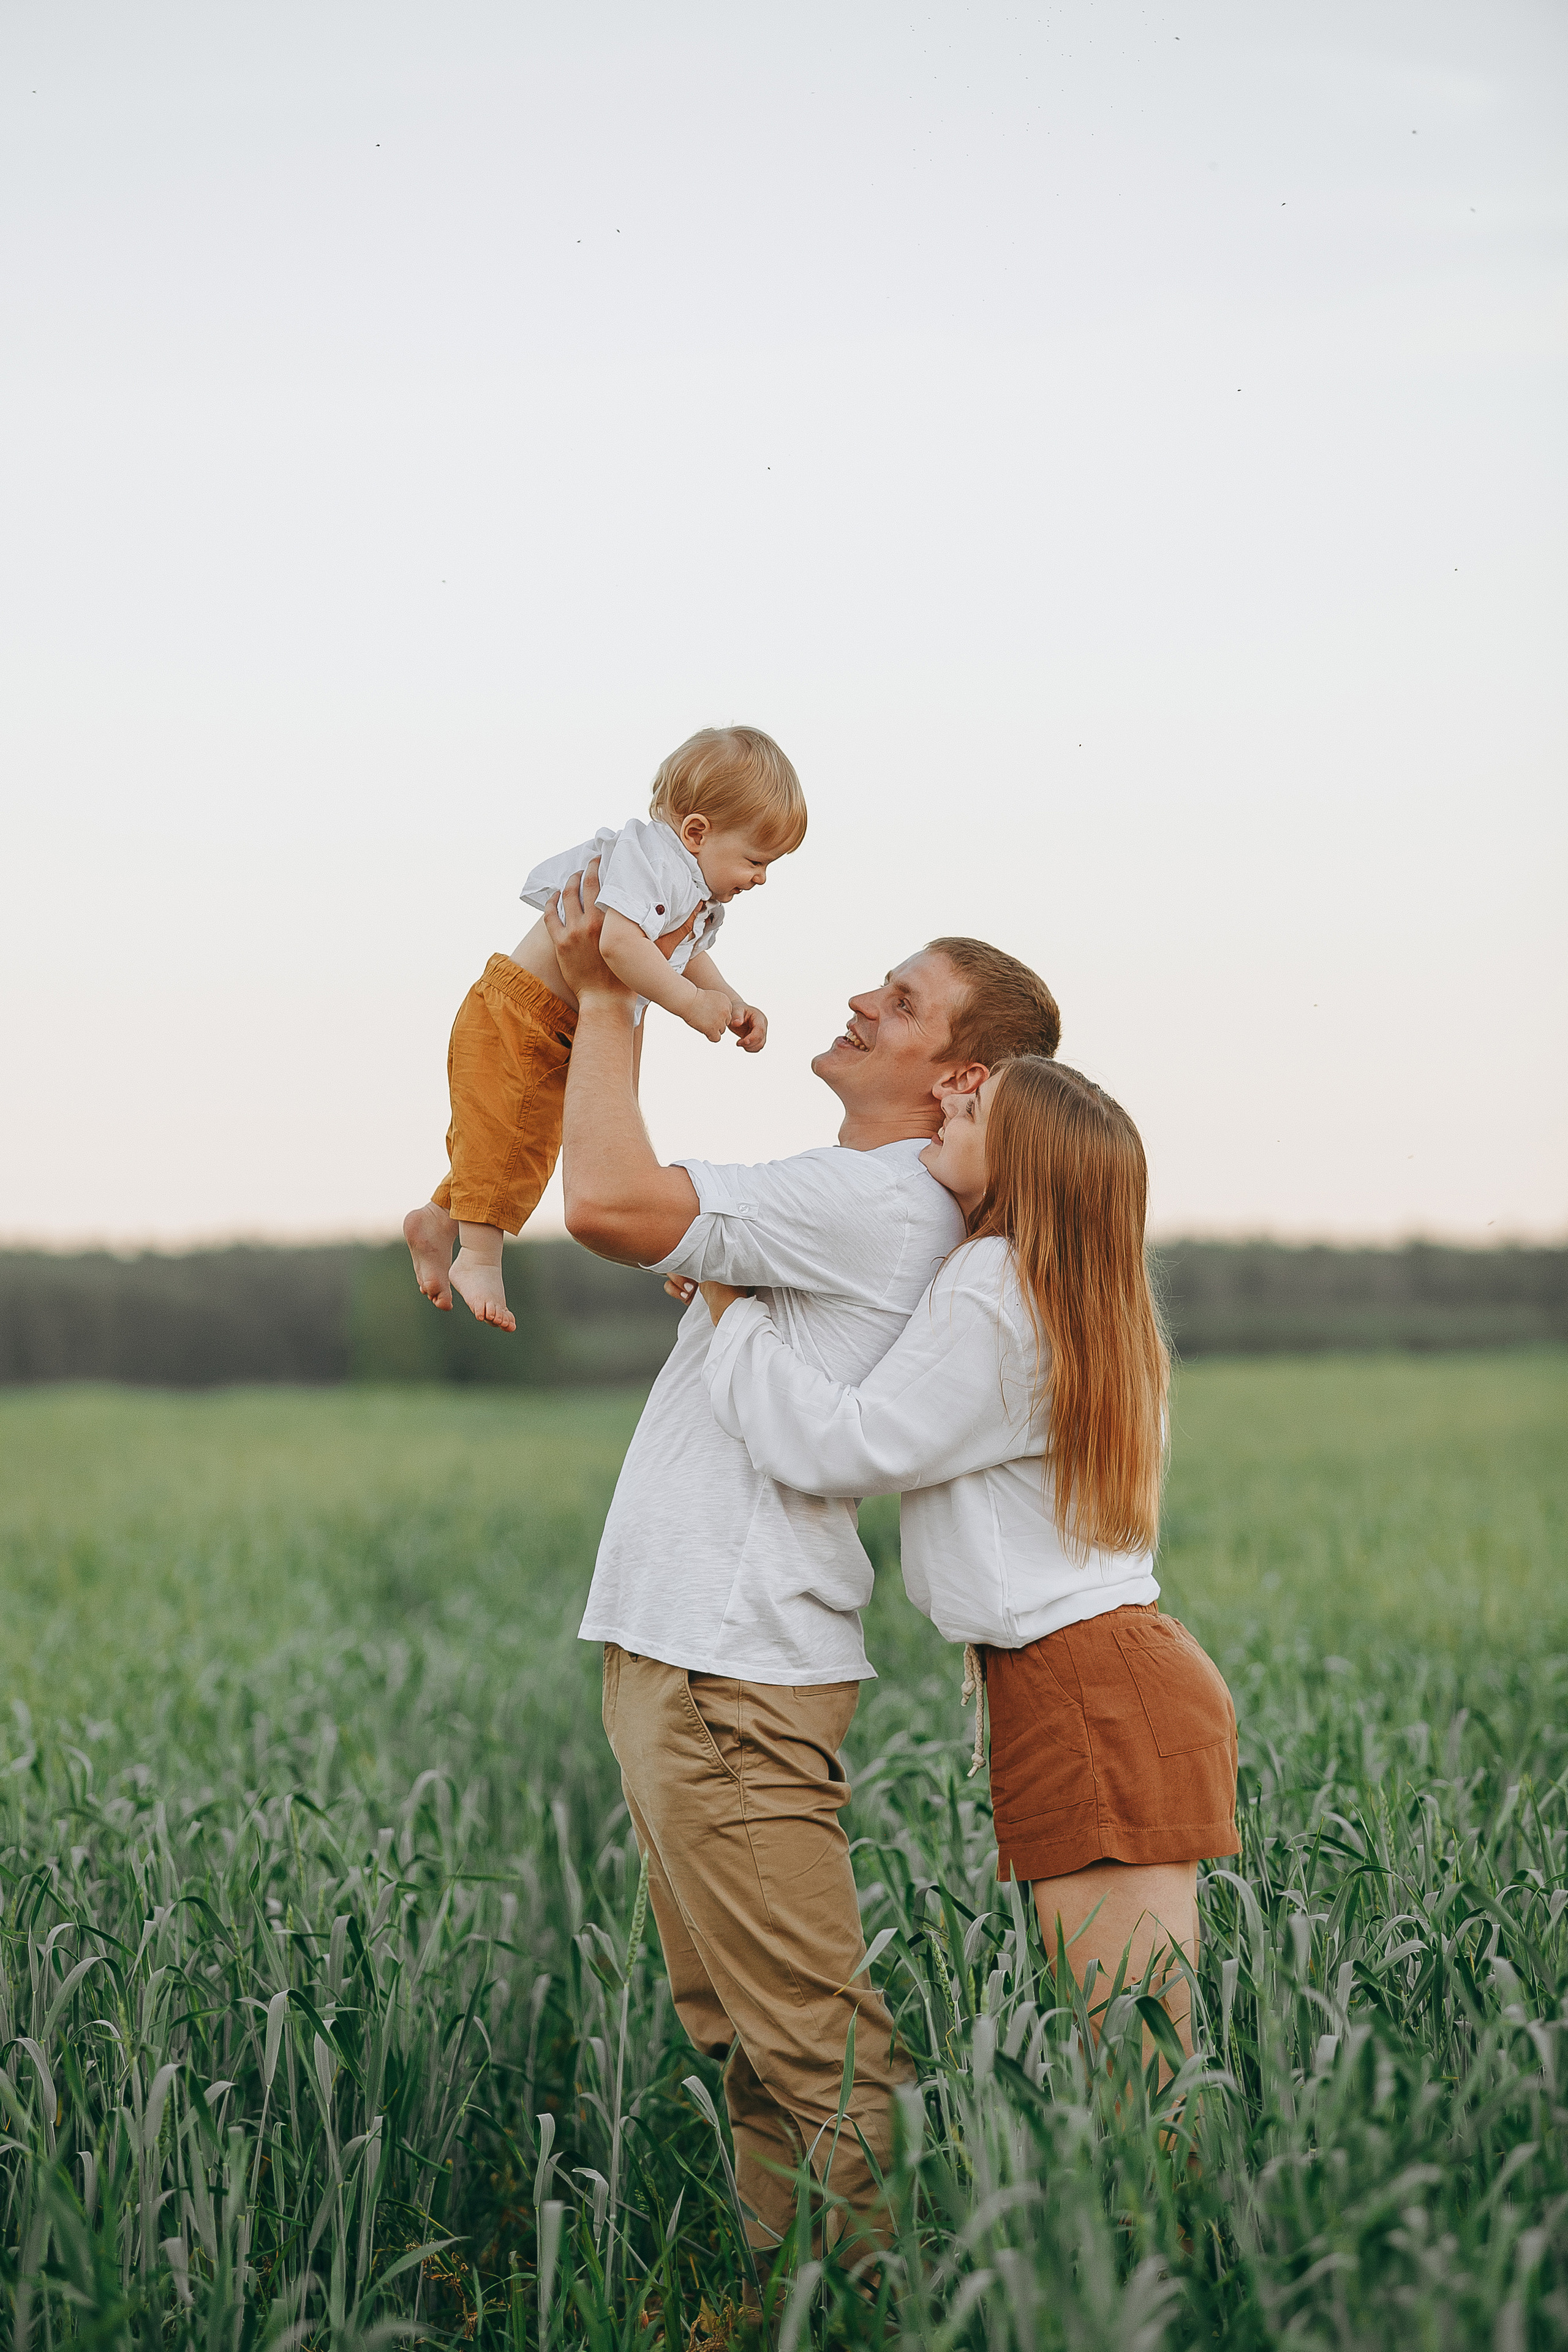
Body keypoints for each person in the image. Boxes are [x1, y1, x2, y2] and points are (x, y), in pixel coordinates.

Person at [543, 865, 1060, 2256]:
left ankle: (855, 2308)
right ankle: (784, 2302)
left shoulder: (873, 1200)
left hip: (730, 1664)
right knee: (748, 2039)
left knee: (811, 2043)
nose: (856, 998)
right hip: (696, 1654)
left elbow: (600, 1200)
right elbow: (652, 1222)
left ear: (956, 1075)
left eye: (899, 1002)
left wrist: (610, 990)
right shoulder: (875, 1206)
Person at [698, 1055, 1240, 2065]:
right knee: (1145, 2056)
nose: (948, 1097)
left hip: (1087, 1692)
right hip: (1105, 1681)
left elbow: (844, 1447)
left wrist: (735, 1315)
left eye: (975, 1103)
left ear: (1024, 1158)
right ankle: (1168, 2227)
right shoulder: (1087, 1302)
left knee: (1136, 2063)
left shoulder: (998, 1283)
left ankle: (1173, 2229)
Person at [402, 725, 805, 1333]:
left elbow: (685, 950)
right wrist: (692, 1005)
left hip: (565, 1022)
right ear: (697, 832)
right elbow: (618, 942)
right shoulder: (652, 864)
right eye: (755, 859)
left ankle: (437, 1220)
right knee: (508, 1132)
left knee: (522, 1141)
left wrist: (729, 997)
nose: (762, 877)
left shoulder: (689, 888)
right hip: (521, 1010)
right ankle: (479, 1257)